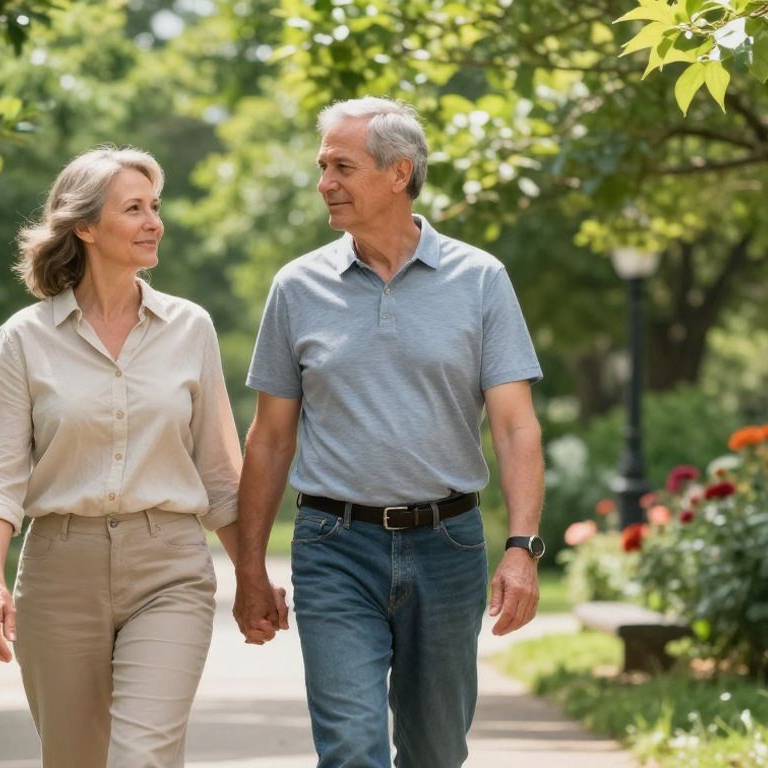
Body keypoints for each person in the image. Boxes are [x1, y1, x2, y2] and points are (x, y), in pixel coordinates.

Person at [233, 98, 547, 767]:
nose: (324, 182)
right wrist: (250, 567)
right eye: (322, 166)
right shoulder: (297, 287)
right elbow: (269, 439)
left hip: (449, 542)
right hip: (333, 544)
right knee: (352, 747)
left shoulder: (480, 279)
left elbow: (515, 426)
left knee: (435, 752)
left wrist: (522, 547)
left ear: (398, 173)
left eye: (341, 166)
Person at [0, 146, 287, 768]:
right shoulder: (25, 338)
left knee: (142, 755)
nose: (154, 222)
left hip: (168, 566)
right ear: (85, 227)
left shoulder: (190, 328)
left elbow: (220, 472)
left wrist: (251, 574)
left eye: (155, 207)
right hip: (60, 571)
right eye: (133, 209)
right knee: (75, 759)